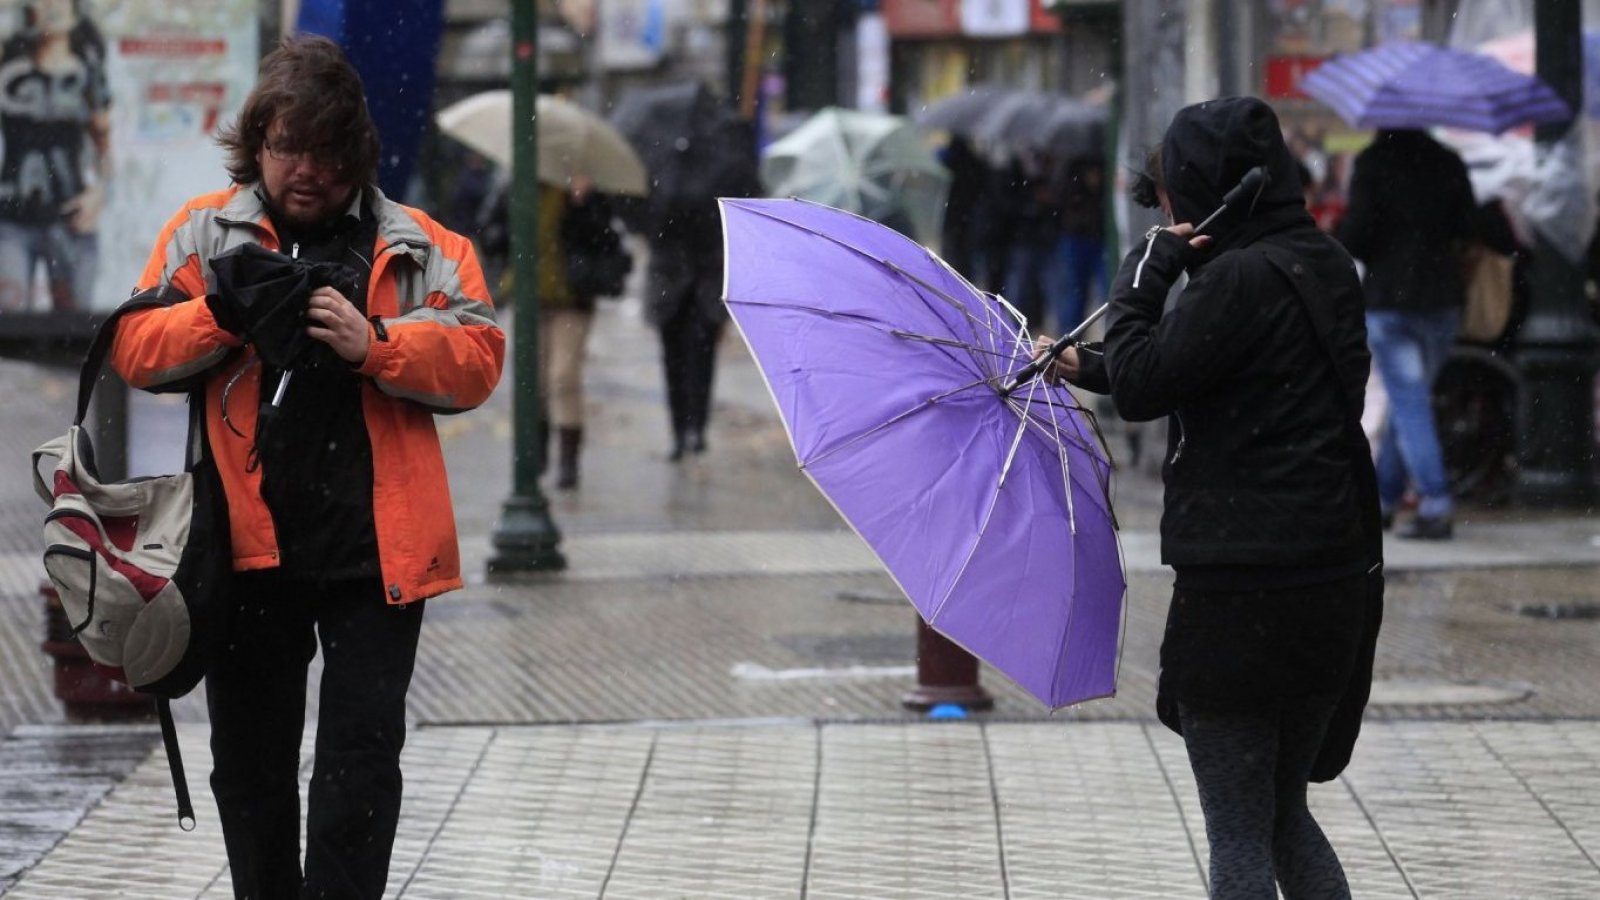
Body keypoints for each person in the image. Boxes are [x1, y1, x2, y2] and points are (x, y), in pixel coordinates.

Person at [108, 36, 503, 898]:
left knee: (359, 770)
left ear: (357, 153)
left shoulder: (422, 243)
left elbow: (478, 355)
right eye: (288, 147)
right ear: (258, 146)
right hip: (245, 555)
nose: (306, 171)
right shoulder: (204, 231)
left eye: (327, 152)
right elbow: (135, 347)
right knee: (249, 769)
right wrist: (221, 313)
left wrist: (379, 345)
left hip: (377, 558)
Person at [1041, 97, 1379, 899]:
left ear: (1206, 192)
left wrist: (1138, 283)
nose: (1162, 208)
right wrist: (1088, 365)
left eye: (1168, 191)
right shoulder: (1318, 262)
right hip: (1330, 578)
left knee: (1238, 829)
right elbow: (1229, 371)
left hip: (1241, 590)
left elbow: (1155, 385)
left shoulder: (1233, 281)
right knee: (1281, 814)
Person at [1337, 128, 1478, 540]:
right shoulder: (1447, 161)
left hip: (1389, 300)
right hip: (1441, 300)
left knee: (1409, 402)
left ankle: (1435, 503)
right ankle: (1383, 499)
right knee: (1408, 402)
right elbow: (1468, 226)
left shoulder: (1373, 163)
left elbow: (1353, 236)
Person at [0, 0, 110, 311]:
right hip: (11, 218)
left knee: (74, 329)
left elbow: (104, 143)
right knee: (9, 331)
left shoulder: (88, 71)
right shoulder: (8, 64)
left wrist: (99, 193)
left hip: (71, 217)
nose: (53, 6)